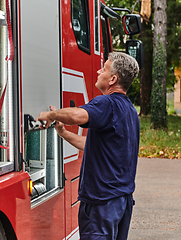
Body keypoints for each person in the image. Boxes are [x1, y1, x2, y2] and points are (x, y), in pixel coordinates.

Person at [36, 52, 140, 240]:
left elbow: (77, 116)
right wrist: (63, 133)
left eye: (104, 68)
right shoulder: (130, 110)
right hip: (120, 202)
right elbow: (94, 146)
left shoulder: (107, 103)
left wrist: (50, 115)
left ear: (113, 79)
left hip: (102, 203)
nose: (99, 71)